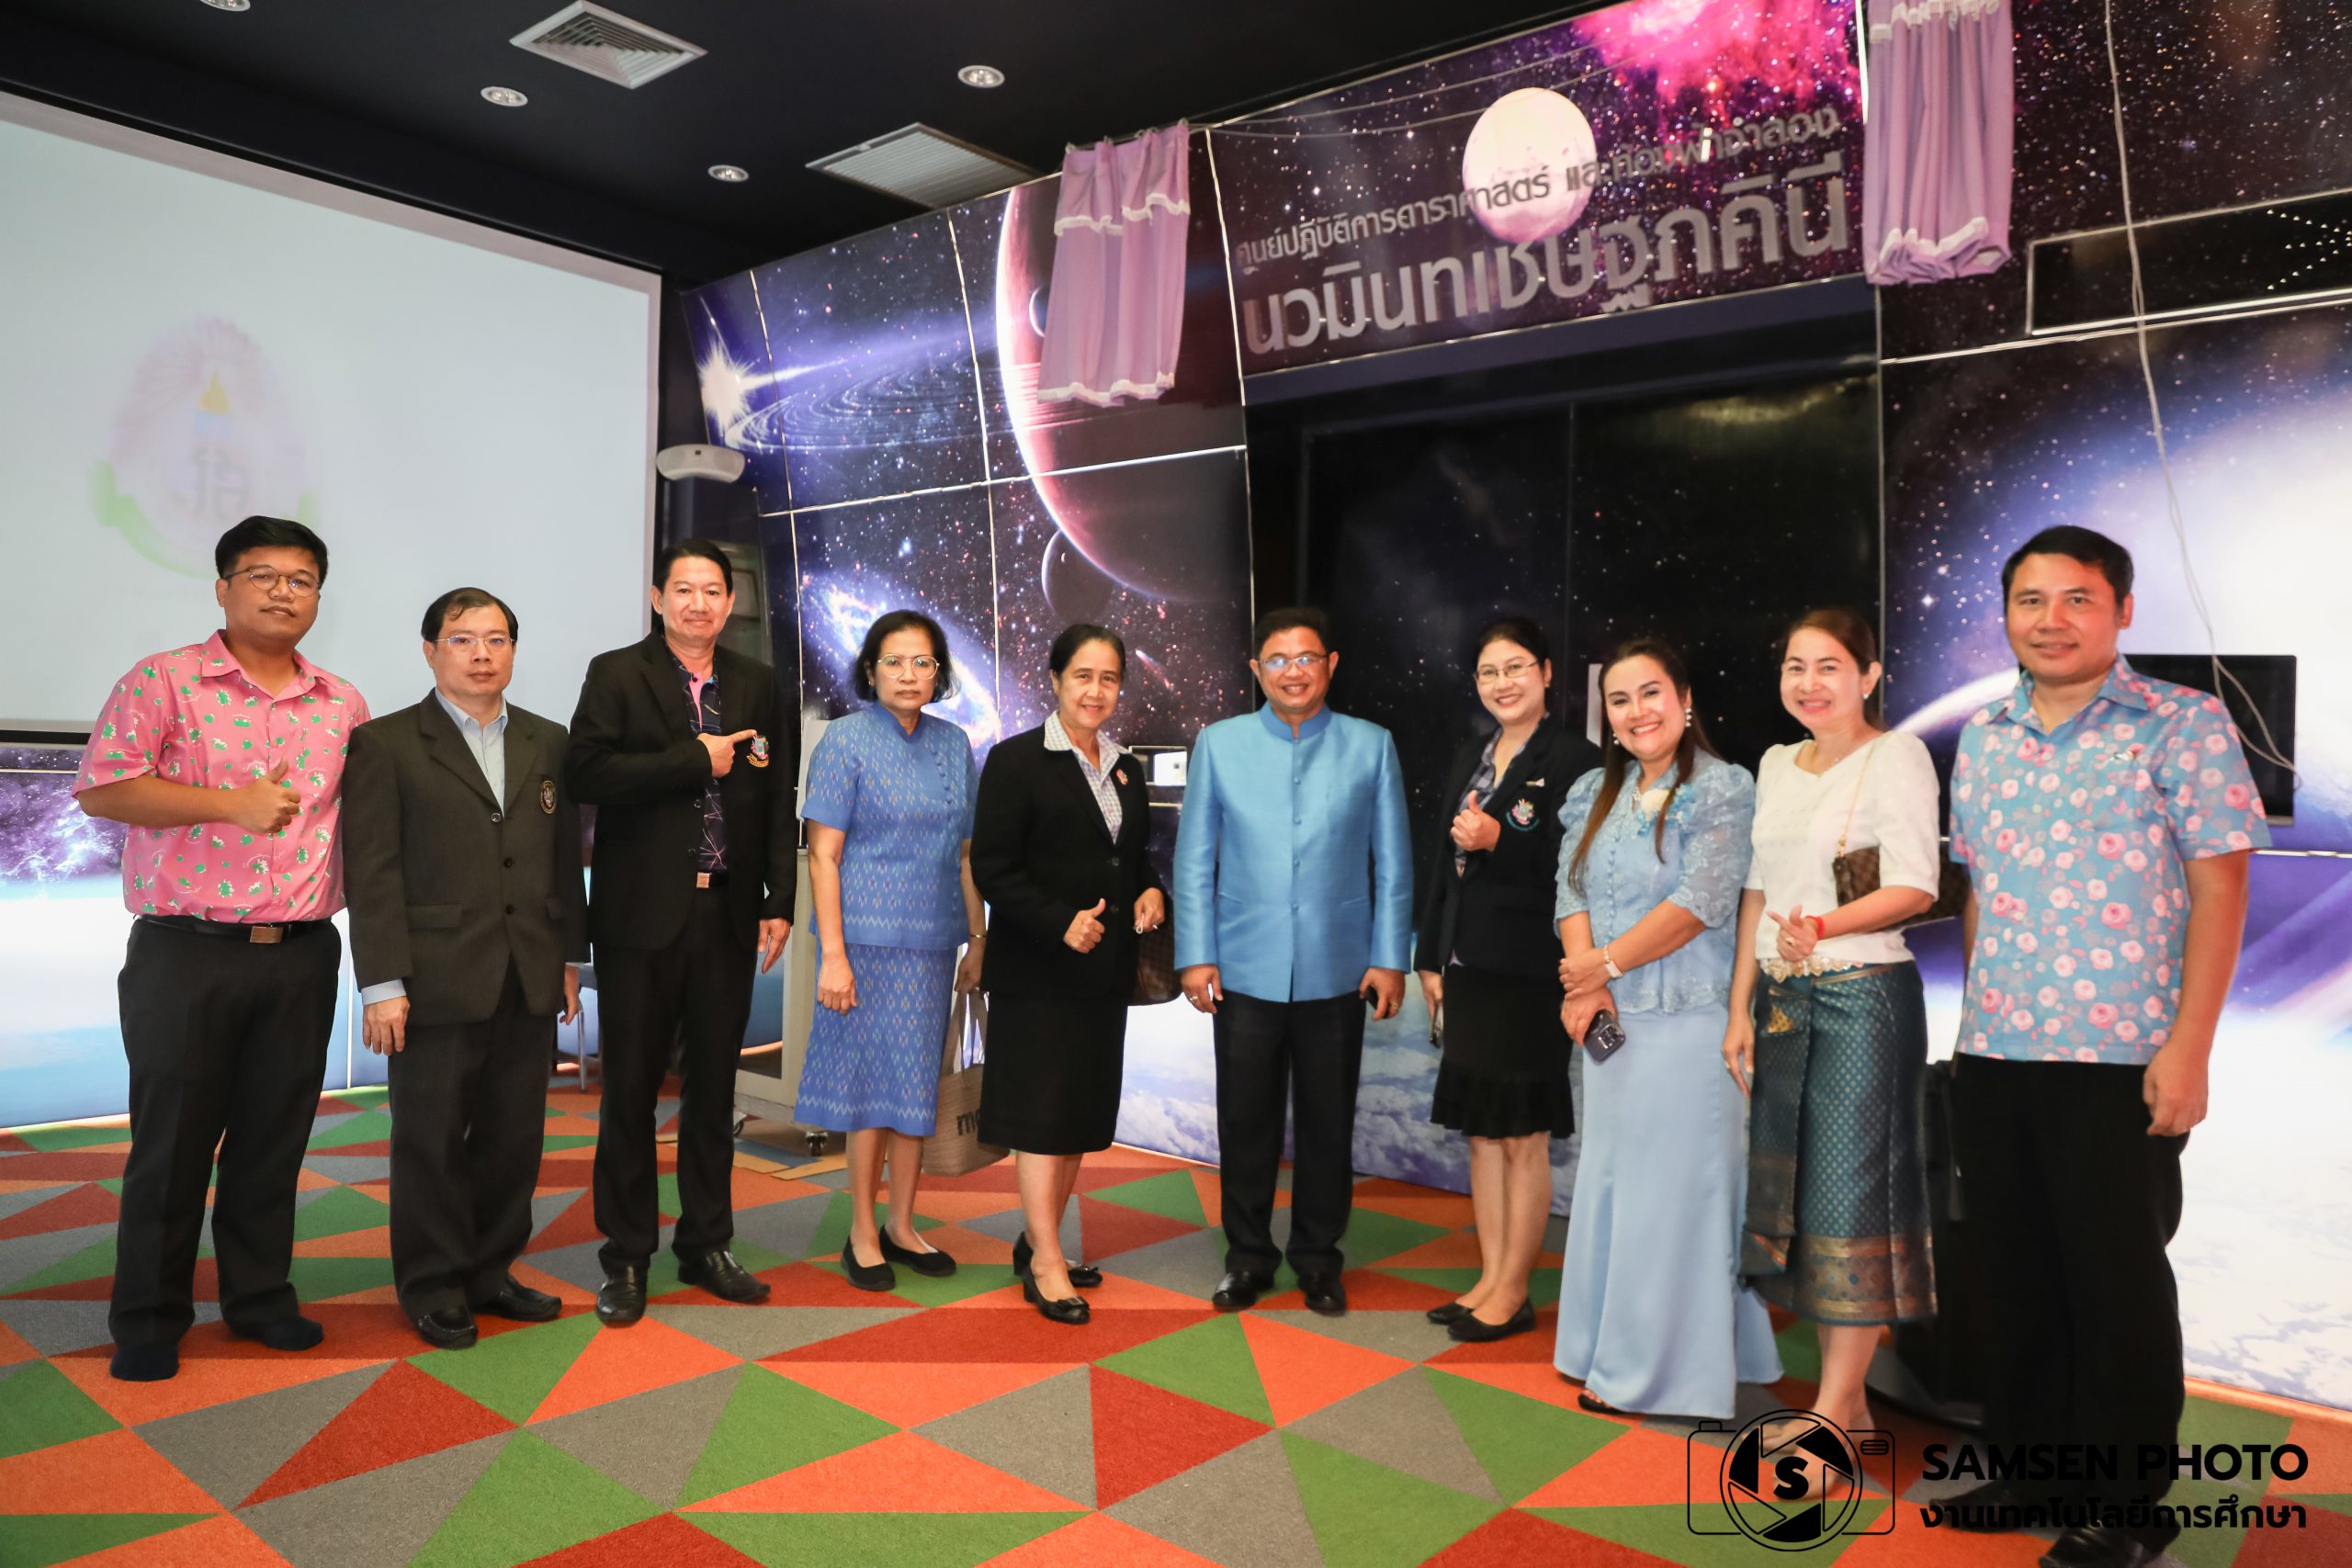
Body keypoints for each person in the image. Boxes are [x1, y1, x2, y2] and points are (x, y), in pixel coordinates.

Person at [1939, 526, 2266, 1568]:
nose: (2051, 620)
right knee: (2014, 1273)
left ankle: (2126, 1507)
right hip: (1996, 1053)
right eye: (2030, 600)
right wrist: (1973, 1026)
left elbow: (2221, 888)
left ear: (2121, 609)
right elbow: (1978, 890)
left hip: (2122, 1056)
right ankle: (2032, 1470)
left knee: (2115, 1283)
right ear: (2005, 615)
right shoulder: (1984, 735)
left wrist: (2190, 1047)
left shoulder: (2182, 722)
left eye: (2076, 598)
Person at [74, 515, 370, 1382]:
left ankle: (259, 1297)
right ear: (223, 588)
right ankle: (148, 1315)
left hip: (302, 952)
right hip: (186, 951)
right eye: (263, 575)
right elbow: (104, 788)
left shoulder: (342, 702)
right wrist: (227, 804)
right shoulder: (163, 680)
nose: (283, 592)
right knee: (172, 1143)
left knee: (274, 1139)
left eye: (301, 579)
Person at [344, 587, 588, 1348]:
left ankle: (489, 1271)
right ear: (430, 651)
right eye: (463, 639)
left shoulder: (548, 739)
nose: (482, 654)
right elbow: (372, 871)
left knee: (514, 1139)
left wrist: (569, 957)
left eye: (497, 639)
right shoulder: (385, 742)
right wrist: (382, 983)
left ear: (513, 650)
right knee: (431, 1140)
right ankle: (432, 1283)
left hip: (528, 971)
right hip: (433, 978)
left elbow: (563, 857)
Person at [566, 540, 797, 1327]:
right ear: (657, 597)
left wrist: (779, 898)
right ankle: (627, 1254)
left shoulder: (757, 682)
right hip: (640, 917)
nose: (699, 603)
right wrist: (691, 760)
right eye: (684, 589)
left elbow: (775, 795)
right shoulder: (616, 673)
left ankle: (706, 1241)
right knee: (630, 1090)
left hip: (726, 913)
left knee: (714, 1091)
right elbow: (587, 773)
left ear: (730, 602)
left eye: (713, 591)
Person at [1552, 637, 1781, 1418]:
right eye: (1619, 699)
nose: (1637, 711)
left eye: (1651, 693)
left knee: (1675, 1202)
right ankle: (1600, 1345)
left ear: (1685, 700)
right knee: (1614, 1187)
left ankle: (1661, 1374)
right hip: (1612, 1029)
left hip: (1689, 1029)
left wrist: (1602, 966)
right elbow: (1571, 889)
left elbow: (1702, 901)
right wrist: (1587, 980)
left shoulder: (1723, 787)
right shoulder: (1595, 790)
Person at [1724, 609, 1940, 1432]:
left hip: (1863, 999)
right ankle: (1846, 1405)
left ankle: (1835, 1407)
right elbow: (1757, 889)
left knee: (1850, 1198)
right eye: (1795, 666)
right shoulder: (1777, 762)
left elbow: (1916, 884)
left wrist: (1823, 925)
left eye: (1829, 666)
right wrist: (1740, 1005)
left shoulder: (1897, 755)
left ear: (1869, 676)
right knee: (1799, 1196)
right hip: (1783, 1000)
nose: (1809, 683)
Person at [1172, 606, 1412, 1317]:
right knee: (1244, 1121)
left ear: (1331, 665)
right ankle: (1247, 1257)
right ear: (1257, 669)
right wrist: (1196, 954)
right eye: (1277, 659)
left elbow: (1394, 863)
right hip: (1242, 968)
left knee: (1327, 1123)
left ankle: (1317, 1258)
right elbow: (1194, 860)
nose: (1293, 671)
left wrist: (1389, 957)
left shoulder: (1371, 745)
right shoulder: (1220, 744)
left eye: (1307, 657)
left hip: (1339, 969)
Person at [971, 625, 1168, 1324]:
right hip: (1037, 971)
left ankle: (1039, 1241)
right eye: (1083, 675)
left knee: (1080, 1115)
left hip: (1103, 974)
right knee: (1042, 1117)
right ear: (1054, 680)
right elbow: (994, 866)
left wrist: (1151, 889)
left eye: (1109, 677)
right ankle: (1047, 1262)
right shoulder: (1017, 760)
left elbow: (1132, 856)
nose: (1096, 690)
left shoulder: (1125, 766)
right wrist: (1059, 921)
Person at [1413, 616, 1598, 1343]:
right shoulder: (1473, 754)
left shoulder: (1576, 758)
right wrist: (1432, 954)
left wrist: (1502, 840)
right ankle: (1489, 1279)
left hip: (1529, 972)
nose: (1502, 682)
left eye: (1516, 667)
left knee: (1522, 1136)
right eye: (1489, 671)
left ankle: (1514, 1290)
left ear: (1547, 673)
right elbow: (1443, 863)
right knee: (1483, 1135)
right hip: (1468, 969)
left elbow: (1578, 867)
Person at [797, 610, 985, 1292]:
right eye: (895, 661)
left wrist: (978, 936)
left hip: (932, 945)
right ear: (871, 670)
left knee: (914, 1094)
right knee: (869, 1093)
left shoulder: (954, 744)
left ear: (939, 673)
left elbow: (965, 854)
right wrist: (833, 955)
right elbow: (824, 856)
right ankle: (862, 1232)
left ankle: (903, 1226)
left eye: (923, 662)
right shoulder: (843, 740)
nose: (909, 674)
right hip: (864, 945)